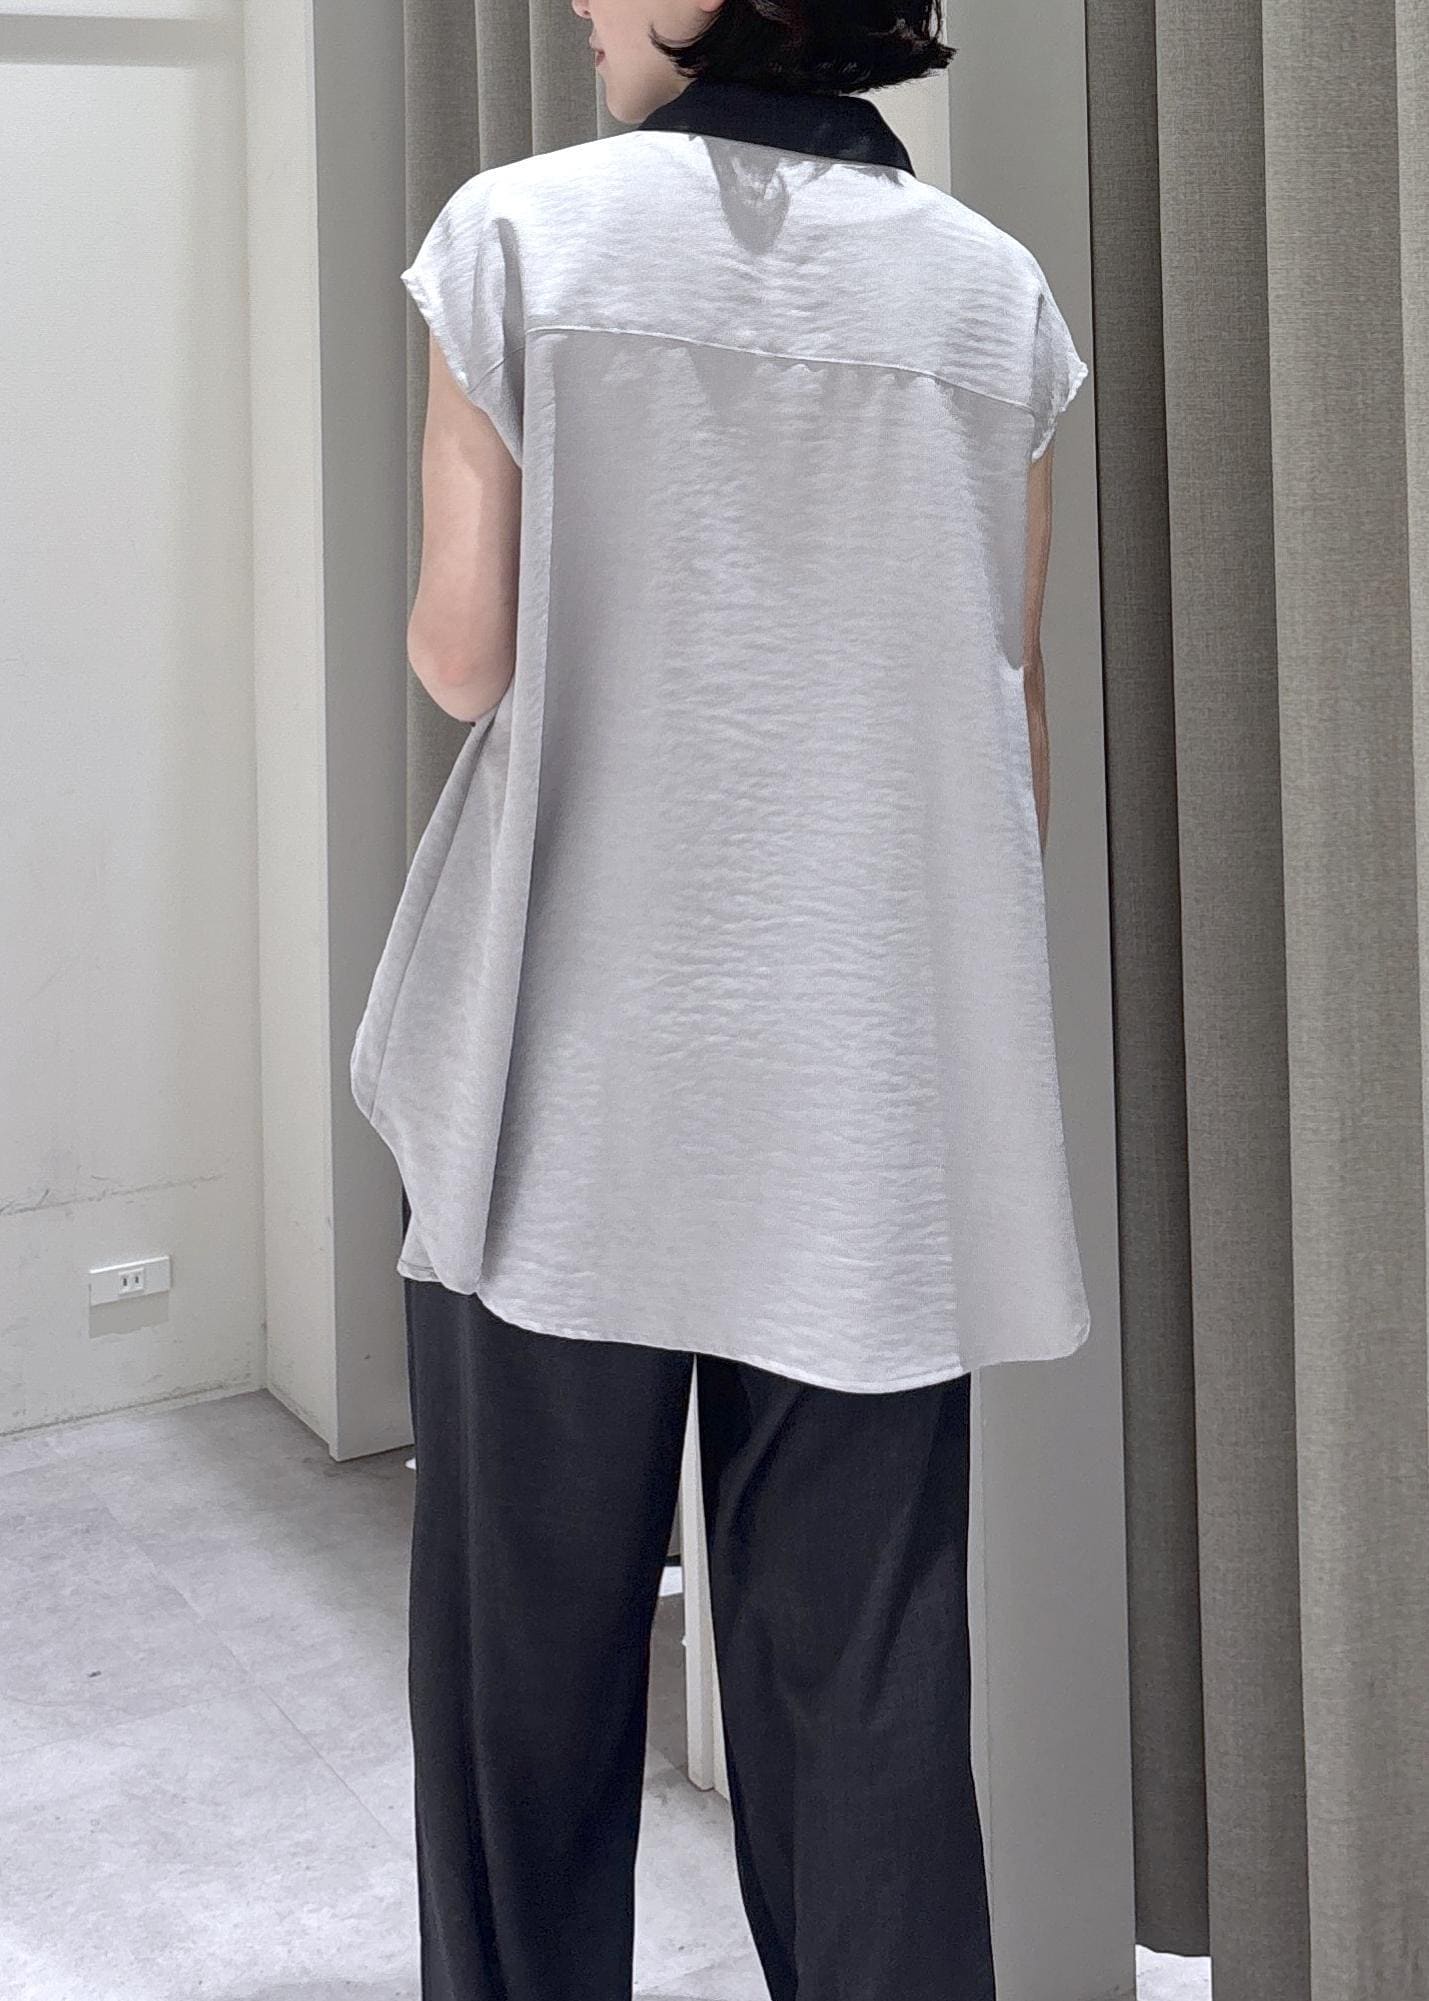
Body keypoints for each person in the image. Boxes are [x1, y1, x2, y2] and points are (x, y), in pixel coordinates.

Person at [351, 2, 1092, 1995]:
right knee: (865, 1703)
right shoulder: (992, 299)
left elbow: (460, 657)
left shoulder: (521, 237)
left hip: (561, 1070)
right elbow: (1002, 732)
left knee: (525, 1691)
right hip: (861, 1079)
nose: (582, 8)